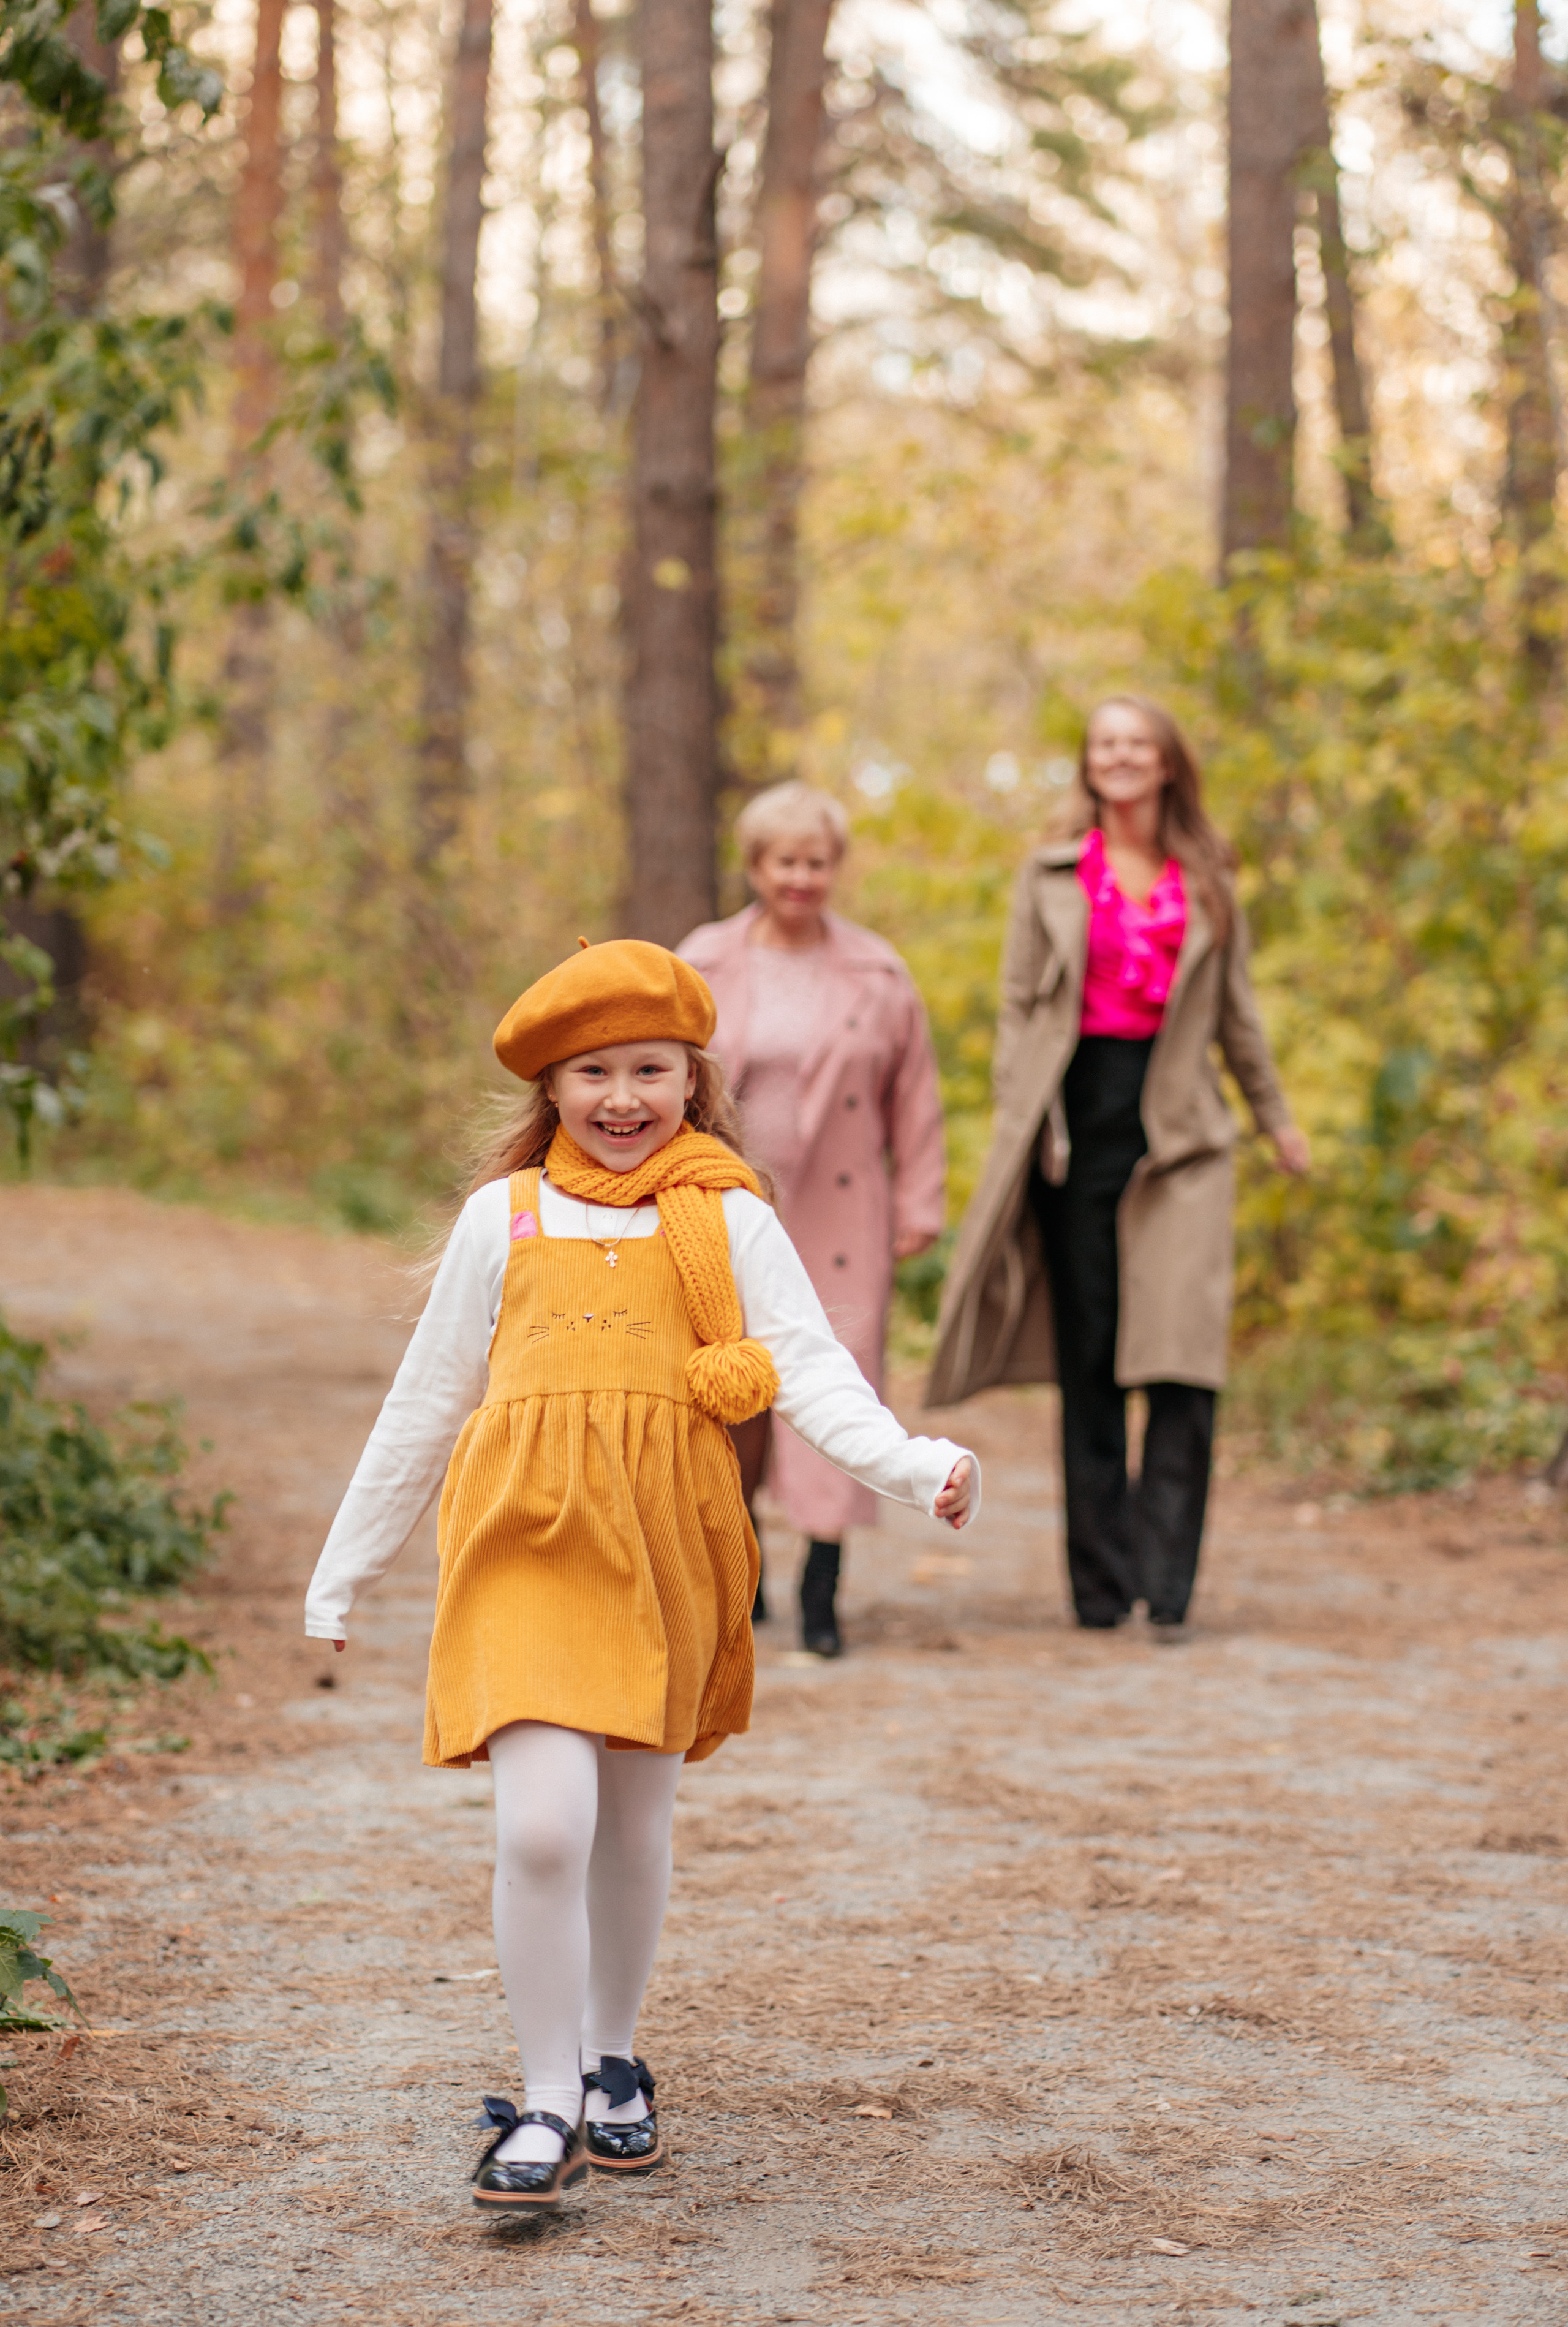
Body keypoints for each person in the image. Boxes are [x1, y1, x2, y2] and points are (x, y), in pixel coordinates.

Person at [303, 938, 976, 2211]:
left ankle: (614, 2060)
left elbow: (812, 1369)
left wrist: (913, 1463)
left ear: (691, 1079)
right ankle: (546, 2094)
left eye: (651, 1071)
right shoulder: (496, 1221)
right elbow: (426, 1399)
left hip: (668, 1543)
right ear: (548, 1089)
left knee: (633, 1824)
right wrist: (342, 1571)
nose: (623, 1099)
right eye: (593, 1073)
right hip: (523, 1545)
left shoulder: (726, 1218)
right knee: (544, 1824)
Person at [927, 697, 1306, 1637]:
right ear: (1090, 766)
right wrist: (1022, 1109)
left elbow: (1239, 1019)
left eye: (1139, 743)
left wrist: (1277, 1122)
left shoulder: (1211, 878)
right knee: (1090, 1364)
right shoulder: (1050, 873)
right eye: (1106, 745)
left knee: (1182, 1362)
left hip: (1182, 1141)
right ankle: (1100, 1590)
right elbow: (1018, 1003)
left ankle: (1168, 1588)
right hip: (1074, 1132)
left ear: (1168, 763)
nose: (1122, 757)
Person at [677, 784, 945, 1657]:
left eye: (817, 862)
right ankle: (740, 1560)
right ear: (756, 866)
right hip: (728, 1198)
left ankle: (823, 1583)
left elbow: (916, 1095)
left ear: (835, 868)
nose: (802, 877)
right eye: (785, 861)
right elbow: (665, 1076)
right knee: (732, 1378)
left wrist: (919, 1204)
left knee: (837, 1374)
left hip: (842, 1209)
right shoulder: (705, 959)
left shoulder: (878, 971)